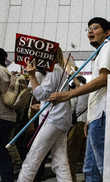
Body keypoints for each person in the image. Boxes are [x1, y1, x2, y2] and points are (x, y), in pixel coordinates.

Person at [48, 17, 110, 181]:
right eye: (88, 28)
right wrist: (90, 119)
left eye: (95, 28)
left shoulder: (108, 47)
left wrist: (68, 94)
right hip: (96, 117)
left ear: (107, 32)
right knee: (90, 169)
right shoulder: (99, 53)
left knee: (105, 169)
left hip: (104, 115)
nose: (90, 31)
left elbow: (104, 79)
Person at [18, 47, 72, 182]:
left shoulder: (54, 71)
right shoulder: (59, 71)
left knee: (32, 158)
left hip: (53, 120)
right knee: (60, 162)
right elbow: (49, 97)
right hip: (60, 120)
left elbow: (41, 94)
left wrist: (31, 76)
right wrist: (41, 105)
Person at [67, 75, 89, 182]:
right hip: (86, 123)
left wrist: (72, 73)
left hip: (81, 123)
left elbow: (78, 84)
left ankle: (71, 178)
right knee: (84, 151)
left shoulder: (84, 90)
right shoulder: (85, 93)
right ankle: (88, 177)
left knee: (72, 151)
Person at [0, 48, 15, 182]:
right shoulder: (8, 72)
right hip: (9, 116)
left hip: (0, 115)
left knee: (2, 153)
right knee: (3, 150)